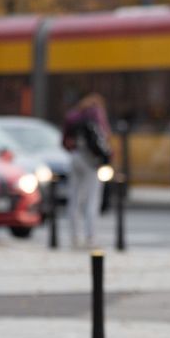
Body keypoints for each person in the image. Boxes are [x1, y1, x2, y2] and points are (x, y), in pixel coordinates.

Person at [61, 93, 112, 248]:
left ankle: (74, 237)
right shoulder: (96, 114)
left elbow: (64, 141)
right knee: (92, 199)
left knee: (74, 198)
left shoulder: (74, 116)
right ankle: (90, 237)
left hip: (75, 157)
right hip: (91, 161)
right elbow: (105, 137)